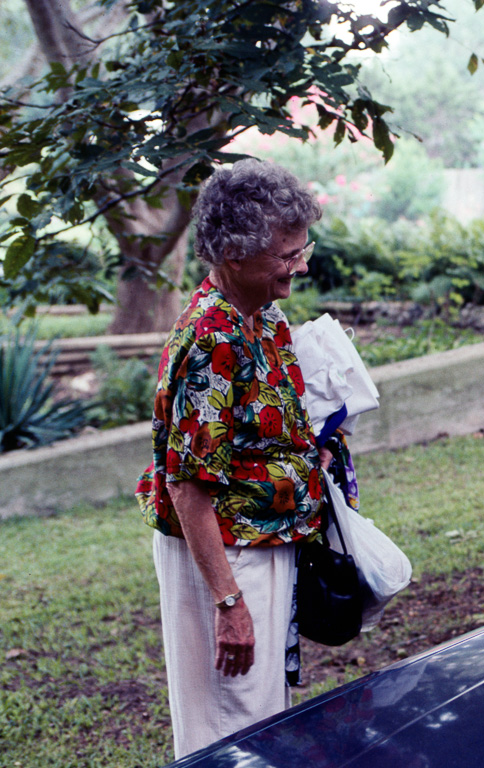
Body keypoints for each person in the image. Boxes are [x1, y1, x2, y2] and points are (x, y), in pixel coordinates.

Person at [135, 159, 332, 758]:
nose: (301, 265)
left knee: (262, 715)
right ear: (234, 255)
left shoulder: (263, 316)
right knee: (231, 723)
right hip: (222, 552)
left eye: (304, 248)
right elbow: (186, 486)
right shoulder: (212, 338)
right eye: (285, 255)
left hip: (261, 540)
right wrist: (228, 604)